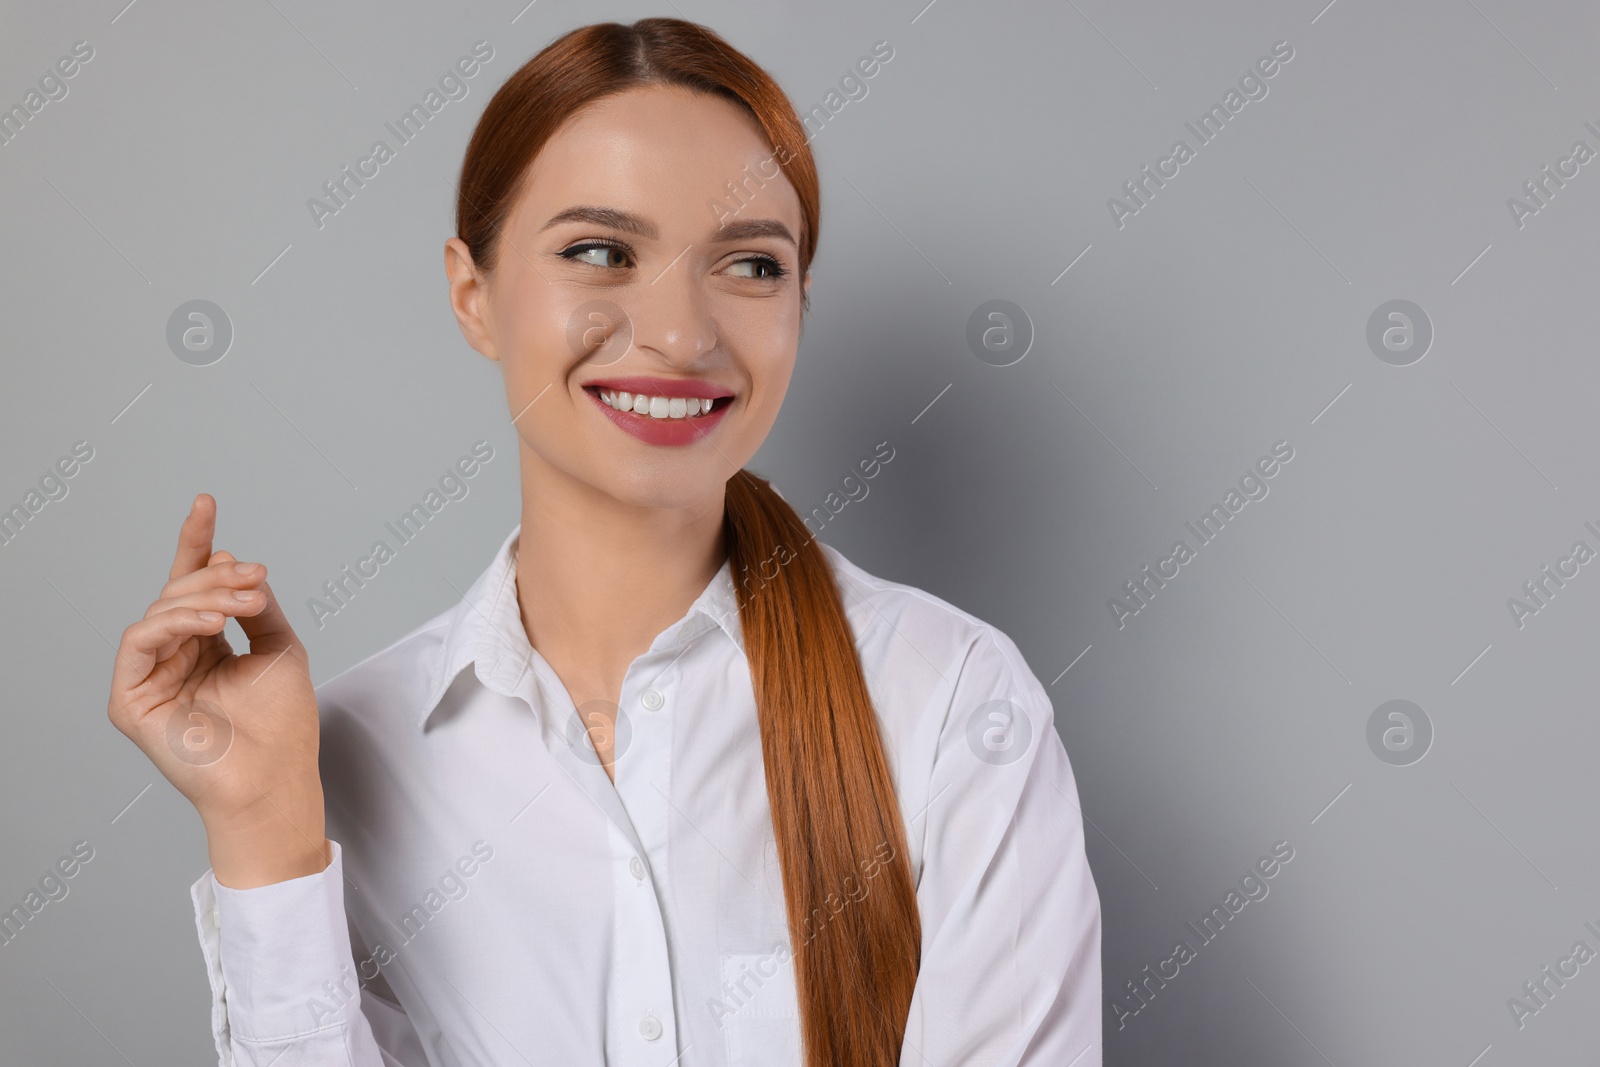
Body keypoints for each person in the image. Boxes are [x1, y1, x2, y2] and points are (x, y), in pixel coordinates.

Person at [106, 17, 1101, 1067]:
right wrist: (265, 827)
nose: (679, 332)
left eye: (750, 266)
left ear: (799, 302)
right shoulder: (340, 755)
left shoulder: (952, 702)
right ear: (472, 294)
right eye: (598, 252)